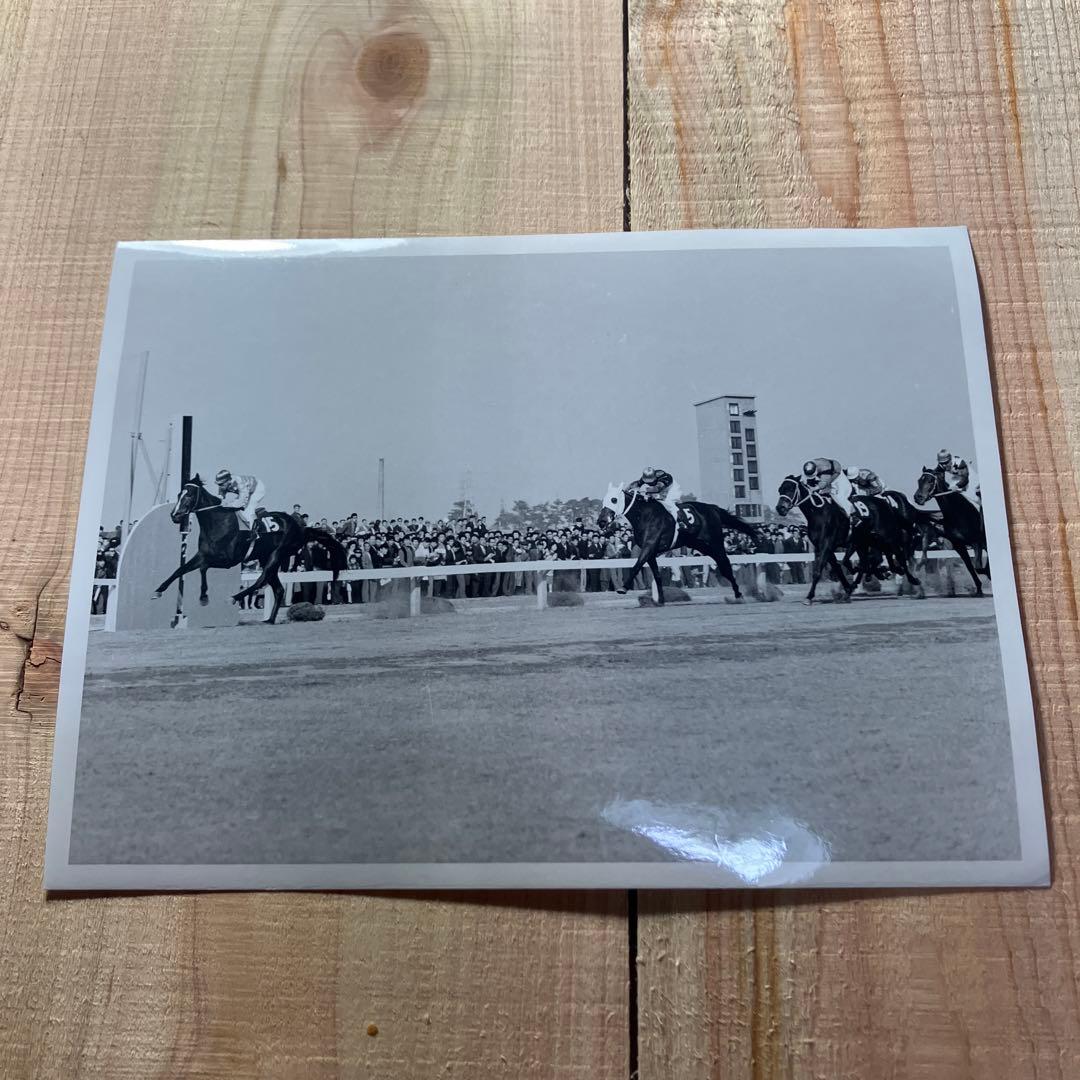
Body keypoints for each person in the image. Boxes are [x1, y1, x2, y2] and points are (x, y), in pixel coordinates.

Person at [629, 466, 683, 535]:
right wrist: (628, 489)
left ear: (654, 476)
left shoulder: (663, 477)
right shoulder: (646, 476)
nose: (649, 482)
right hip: (659, 490)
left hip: (671, 489)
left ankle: (681, 521)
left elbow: (657, 489)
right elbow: (637, 484)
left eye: (651, 480)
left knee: (668, 504)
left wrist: (643, 491)